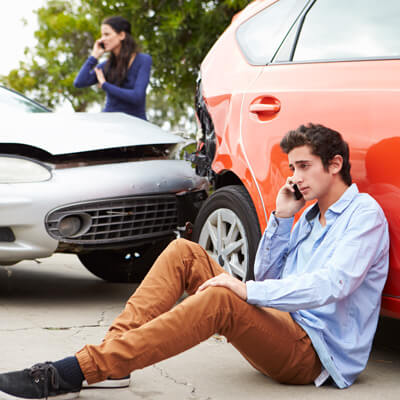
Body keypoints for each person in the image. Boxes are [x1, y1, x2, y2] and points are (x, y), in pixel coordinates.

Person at [0, 124, 389, 399]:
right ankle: (112, 363)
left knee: (223, 298)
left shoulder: (364, 216)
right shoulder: (306, 214)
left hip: (313, 354)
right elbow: (268, 275)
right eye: (293, 168)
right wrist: (283, 218)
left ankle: (79, 370)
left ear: (334, 164)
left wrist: (244, 289)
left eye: (304, 166)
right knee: (183, 252)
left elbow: (331, 286)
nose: (296, 177)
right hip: (280, 325)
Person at [74, 16, 152, 120]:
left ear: (121, 35)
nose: (102, 39)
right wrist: (94, 56)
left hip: (136, 125)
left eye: (107, 34)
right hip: (110, 124)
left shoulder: (143, 60)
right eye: (102, 35)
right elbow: (79, 83)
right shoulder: (106, 65)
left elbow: (137, 97)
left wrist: (105, 85)